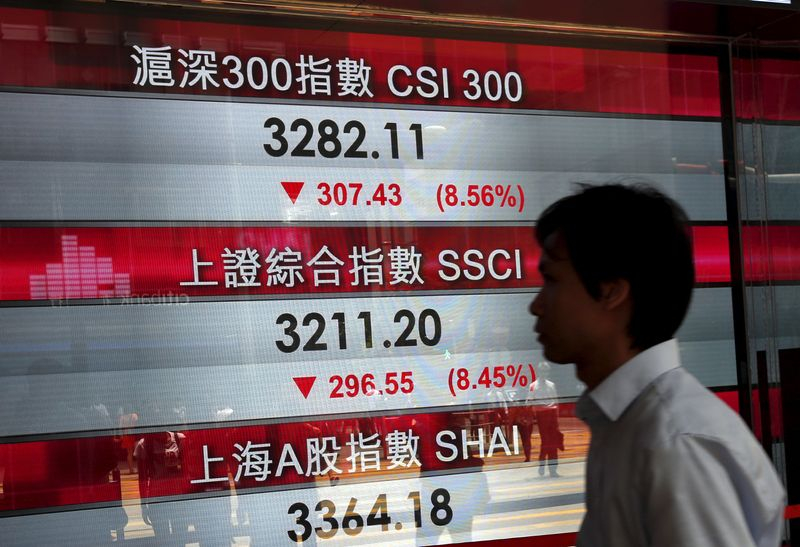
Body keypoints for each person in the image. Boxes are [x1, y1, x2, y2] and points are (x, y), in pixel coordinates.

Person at [529, 183, 785, 546]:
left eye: (552, 280)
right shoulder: (632, 424)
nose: (536, 305)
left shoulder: (674, 443)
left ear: (611, 292)